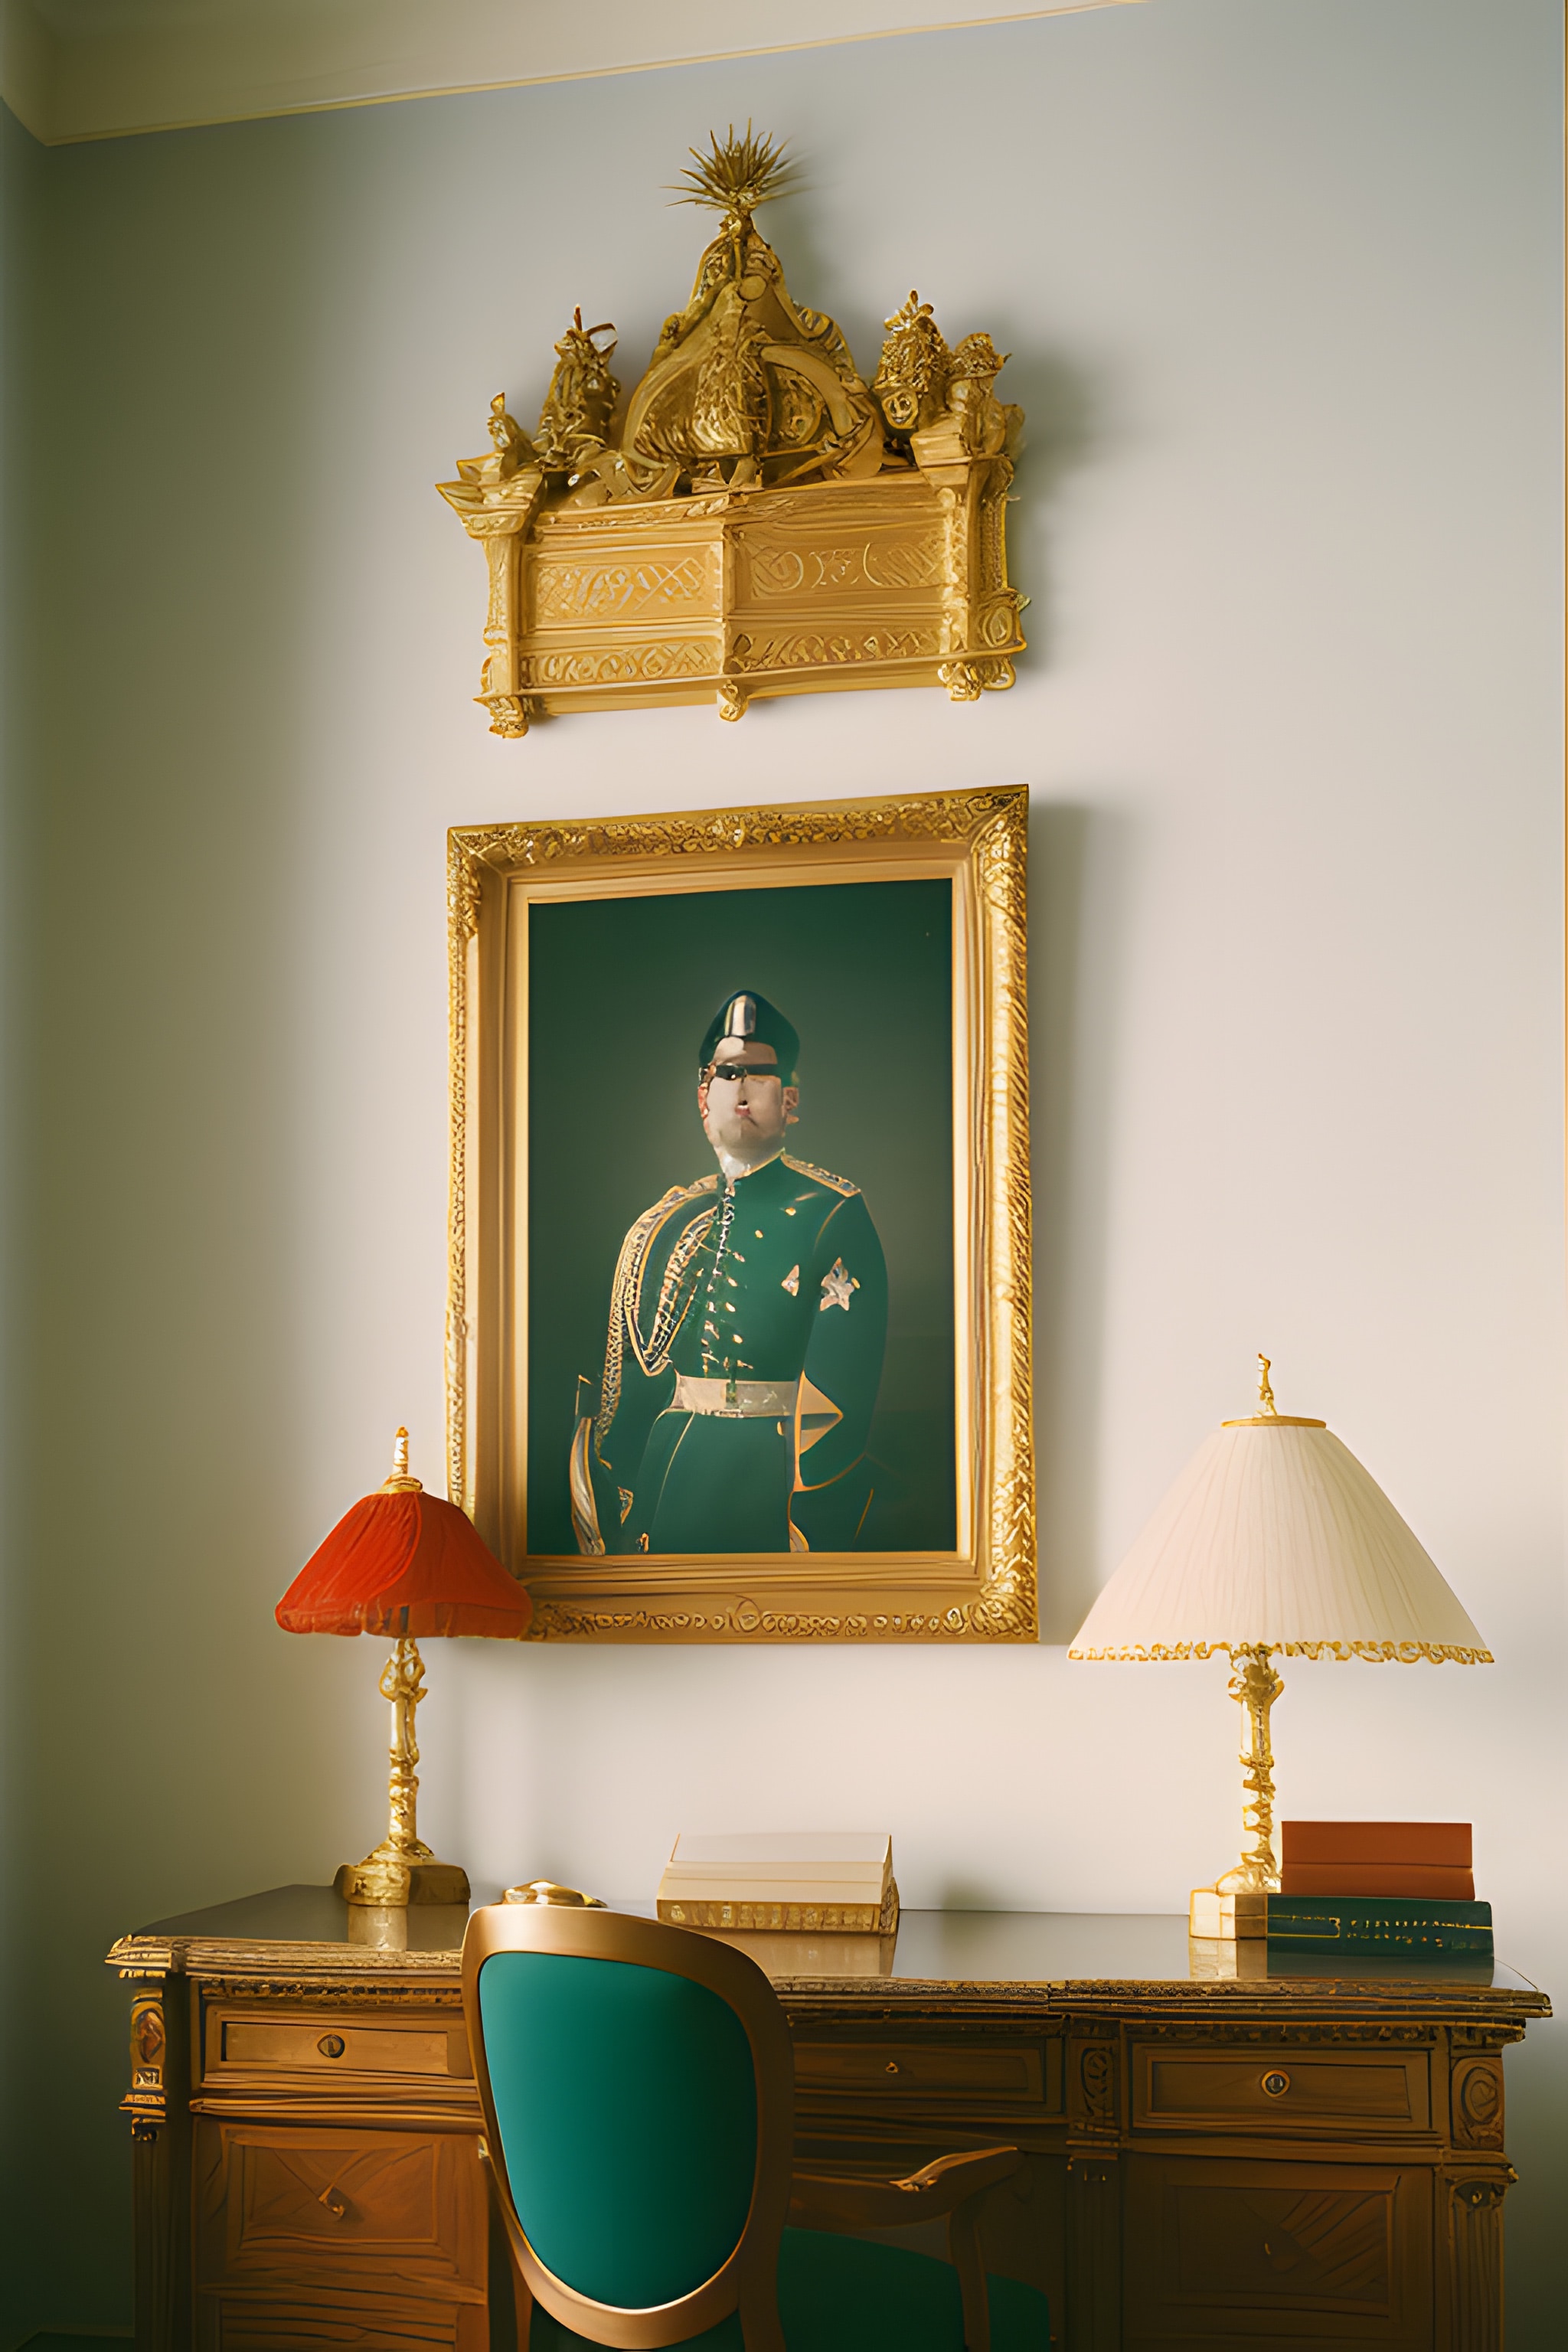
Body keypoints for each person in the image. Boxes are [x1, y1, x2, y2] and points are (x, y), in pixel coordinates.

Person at [570, 990, 887, 1557]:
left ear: (789, 1100)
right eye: (727, 1073)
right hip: (670, 1472)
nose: (741, 1087)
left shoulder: (832, 1212)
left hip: (771, 1479)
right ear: (703, 1097)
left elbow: (845, 1389)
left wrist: (808, 1514)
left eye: (759, 1075)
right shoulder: (665, 1223)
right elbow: (628, 1383)